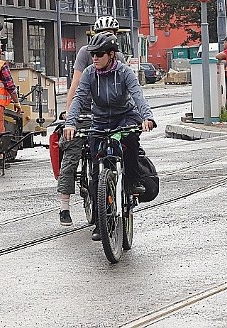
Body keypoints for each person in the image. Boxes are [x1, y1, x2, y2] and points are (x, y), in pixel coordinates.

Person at [63, 32, 156, 241]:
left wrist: (147, 117)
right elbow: (79, 98)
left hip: (124, 117)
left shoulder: (124, 72)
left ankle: (132, 182)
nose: (94, 57)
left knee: (131, 143)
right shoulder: (89, 73)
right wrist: (70, 122)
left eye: (99, 54)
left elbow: (137, 94)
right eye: (93, 54)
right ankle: (100, 221)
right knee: (97, 174)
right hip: (100, 121)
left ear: (112, 55)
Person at [54, 15, 124, 227]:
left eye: (111, 35)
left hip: (107, 113)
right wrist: (69, 117)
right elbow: (76, 85)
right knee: (72, 151)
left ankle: (123, 192)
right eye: (102, 34)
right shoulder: (86, 53)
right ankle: (64, 206)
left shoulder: (118, 56)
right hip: (85, 111)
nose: (106, 39)